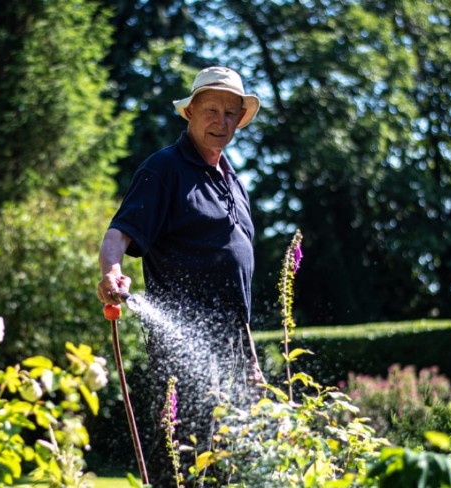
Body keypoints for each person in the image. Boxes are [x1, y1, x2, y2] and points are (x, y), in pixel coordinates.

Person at [96, 66, 265, 486]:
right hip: (182, 347)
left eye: (231, 113)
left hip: (229, 348)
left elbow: (236, 289)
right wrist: (111, 272)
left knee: (229, 467)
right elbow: (118, 233)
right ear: (190, 112)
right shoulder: (165, 169)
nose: (221, 121)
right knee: (184, 461)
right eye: (211, 110)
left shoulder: (234, 182)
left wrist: (251, 364)